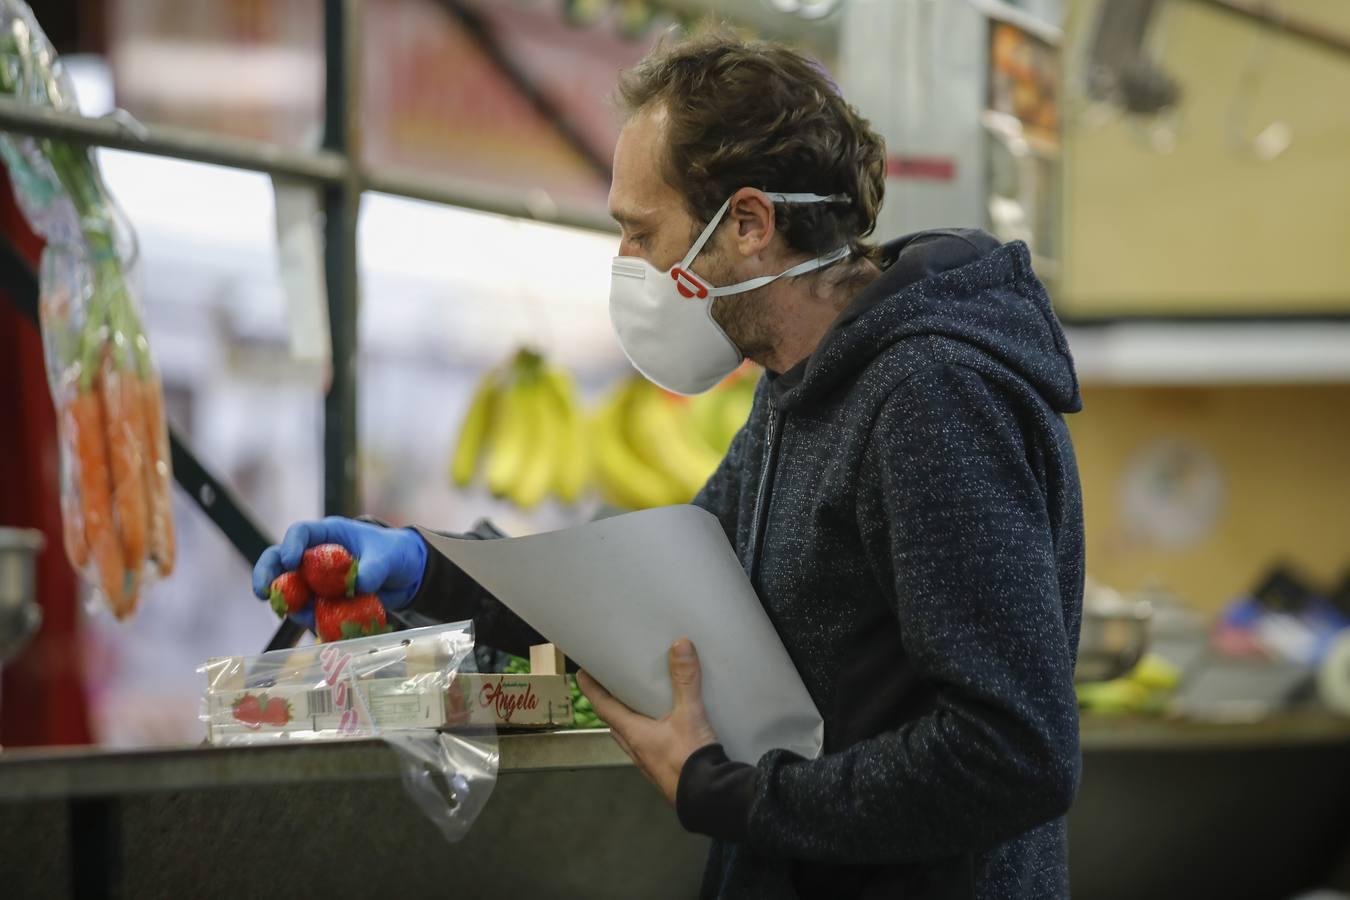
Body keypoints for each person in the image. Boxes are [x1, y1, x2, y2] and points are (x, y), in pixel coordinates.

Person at [253, 31, 1085, 900]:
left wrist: (726, 792)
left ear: (751, 225)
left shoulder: (929, 396)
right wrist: (425, 565)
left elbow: (1014, 753)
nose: (628, 267)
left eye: (641, 233)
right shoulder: (800, 389)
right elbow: (659, 602)